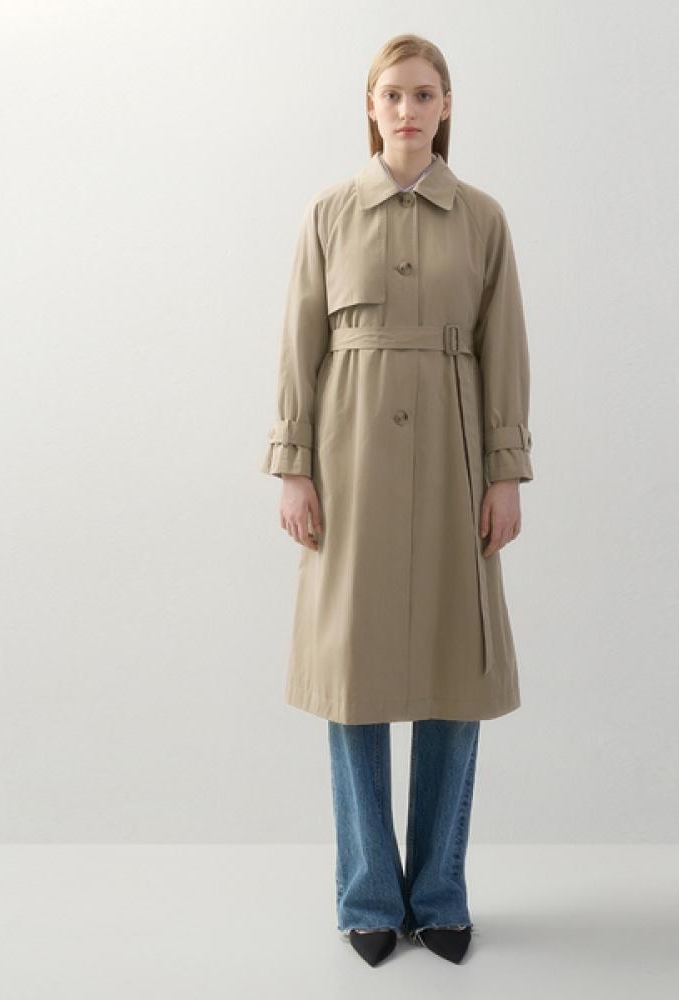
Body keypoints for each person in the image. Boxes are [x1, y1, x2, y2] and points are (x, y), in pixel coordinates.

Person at [260, 33, 534, 967]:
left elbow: (505, 349)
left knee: (456, 676)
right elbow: (299, 344)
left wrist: (505, 471)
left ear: (446, 106)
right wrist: (294, 465)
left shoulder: (483, 219)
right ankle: (370, 896)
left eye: (424, 94)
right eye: (392, 95)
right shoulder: (329, 214)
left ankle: (441, 894)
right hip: (350, 464)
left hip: (456, 464)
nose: (408, 110)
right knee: (355, 679)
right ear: (370, 107)